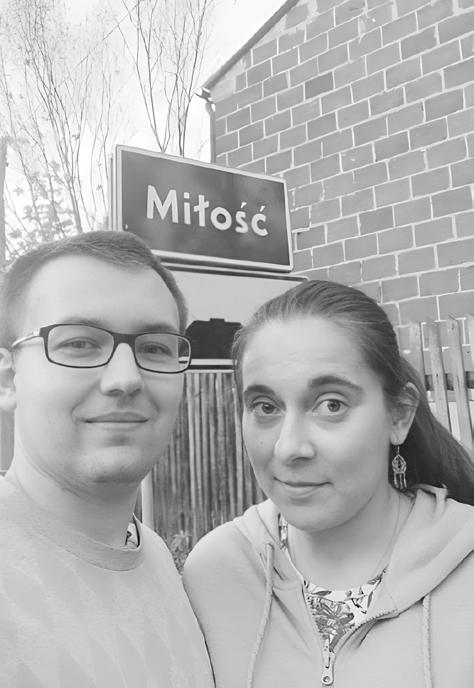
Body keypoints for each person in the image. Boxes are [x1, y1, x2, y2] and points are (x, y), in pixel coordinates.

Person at [183, 279, 474, 688]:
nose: (289, 447)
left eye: (331, 405)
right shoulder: (215, 573)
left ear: (399, 415)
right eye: (265, 407)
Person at [0, 231, 214, 688]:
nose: (126, 378)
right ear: (8, 379)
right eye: (80, 343)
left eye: (154, 347)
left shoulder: (157, 559)